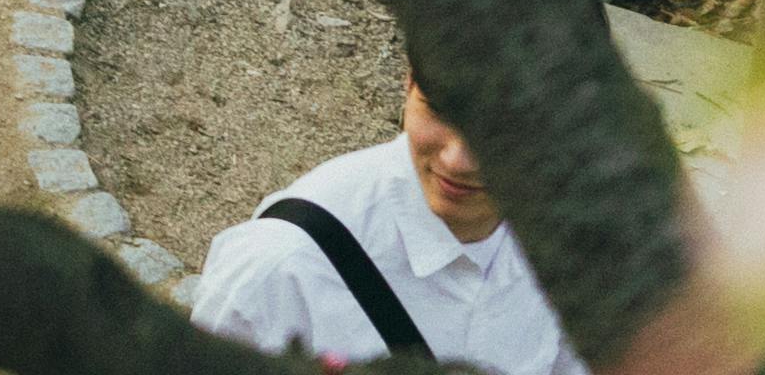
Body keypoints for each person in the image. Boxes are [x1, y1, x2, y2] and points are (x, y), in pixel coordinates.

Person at [184, 70, 577, 373]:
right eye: (439, 108)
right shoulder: (276, 270)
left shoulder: (584, 241)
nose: (457, 160)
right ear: (408, 82)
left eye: (501, 128)